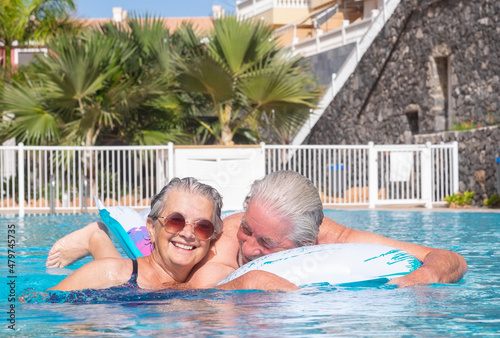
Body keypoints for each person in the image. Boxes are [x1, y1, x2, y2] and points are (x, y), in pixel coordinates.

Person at [47, 171, 467, 289]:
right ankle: (97, 237)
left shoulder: (330, 236)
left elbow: (451, 258)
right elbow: (157, 292)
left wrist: (424, 277)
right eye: (246, 228)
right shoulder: (221, 246)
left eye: (265, 241)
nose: (246, 244)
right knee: (133, 248)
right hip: (161, 255)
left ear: (304, 242)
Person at [48, 177, 224, 291]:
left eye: (202, 226)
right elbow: (38, 306)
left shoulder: (204, 285)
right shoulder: (113, 273)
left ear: (212, 238)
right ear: (152, 228)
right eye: (175, 220)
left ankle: (96, 237)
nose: (188, 234)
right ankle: (95, 236)